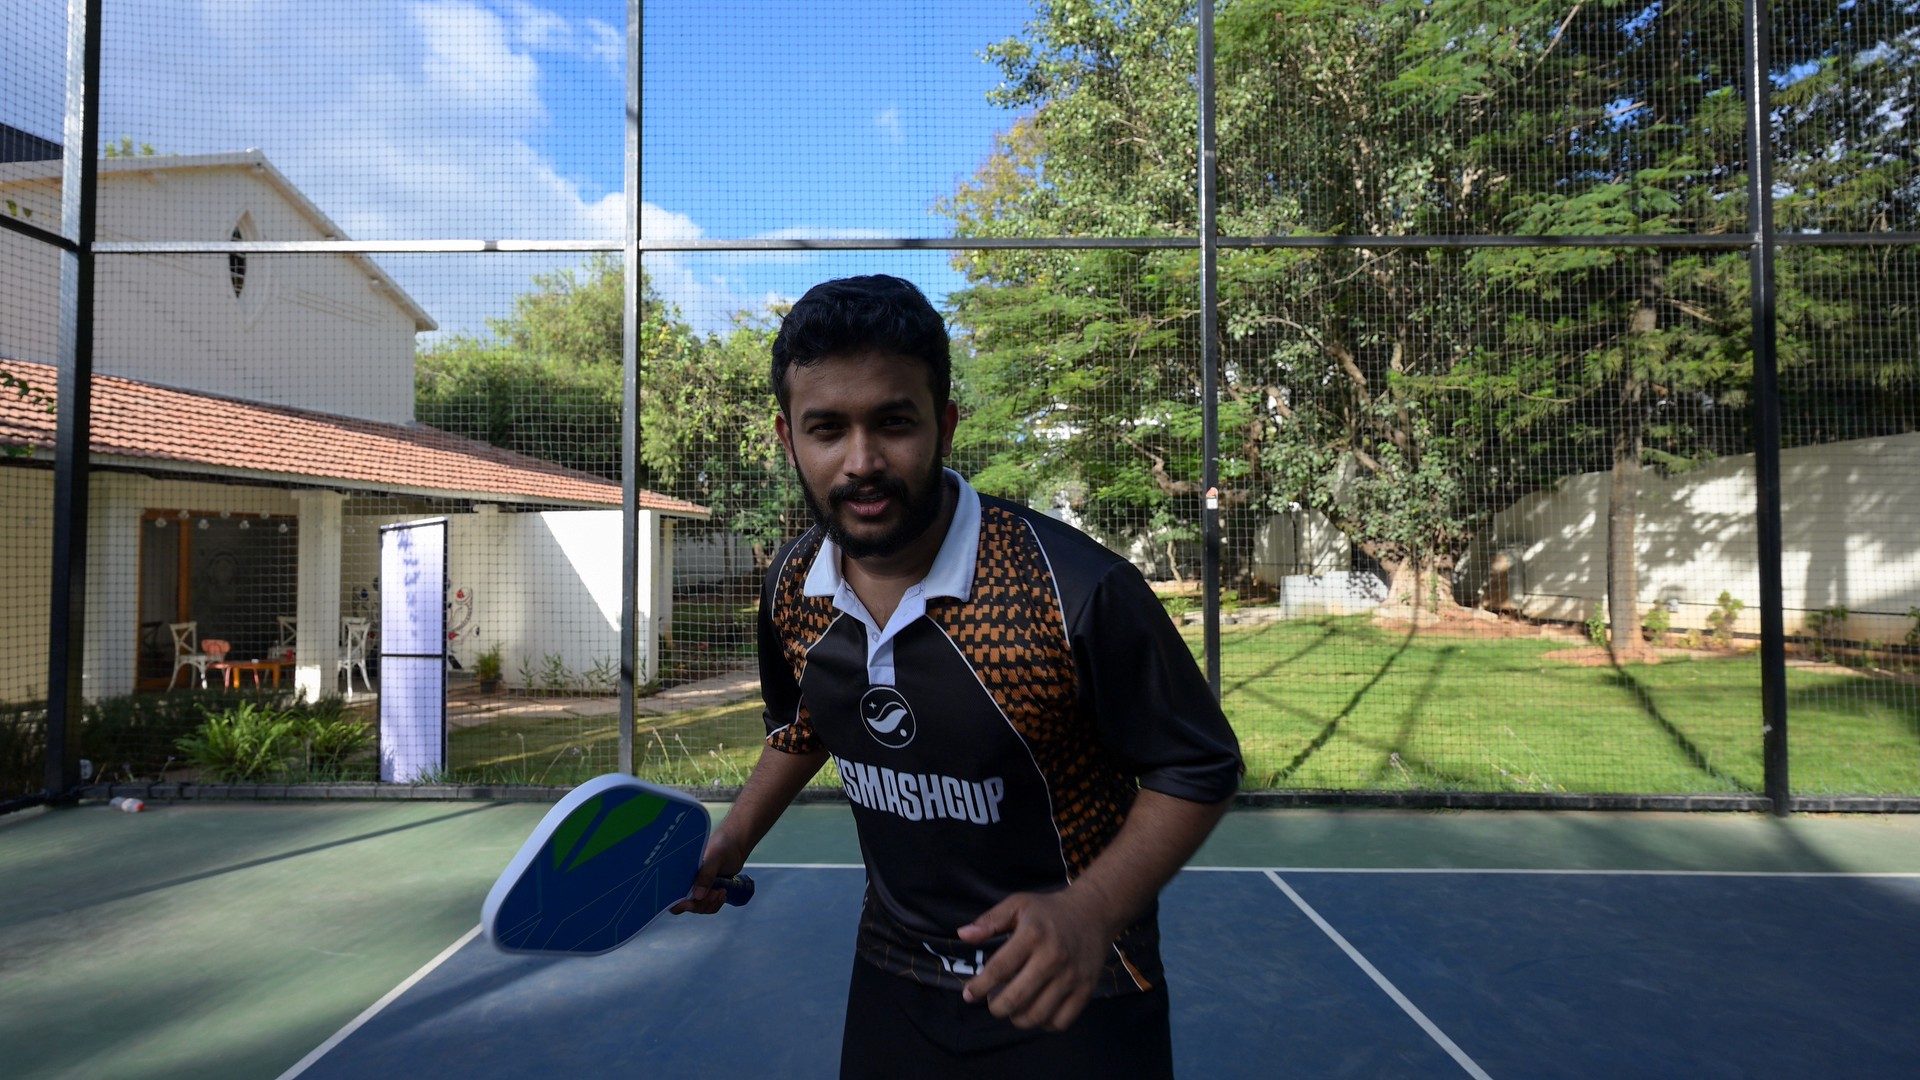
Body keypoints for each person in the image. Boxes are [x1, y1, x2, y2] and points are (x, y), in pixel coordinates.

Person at [672, 274, 1243, 1078]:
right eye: (827, 428)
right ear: (787, 439)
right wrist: (732, 838)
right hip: (894, 976)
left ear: (943, 424)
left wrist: (1090, 912)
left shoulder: (1071, 589)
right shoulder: (792, 589)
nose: (862, 462)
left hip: (1075, 984)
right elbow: (806, 724)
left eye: (893, 422)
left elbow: (1198, 762)